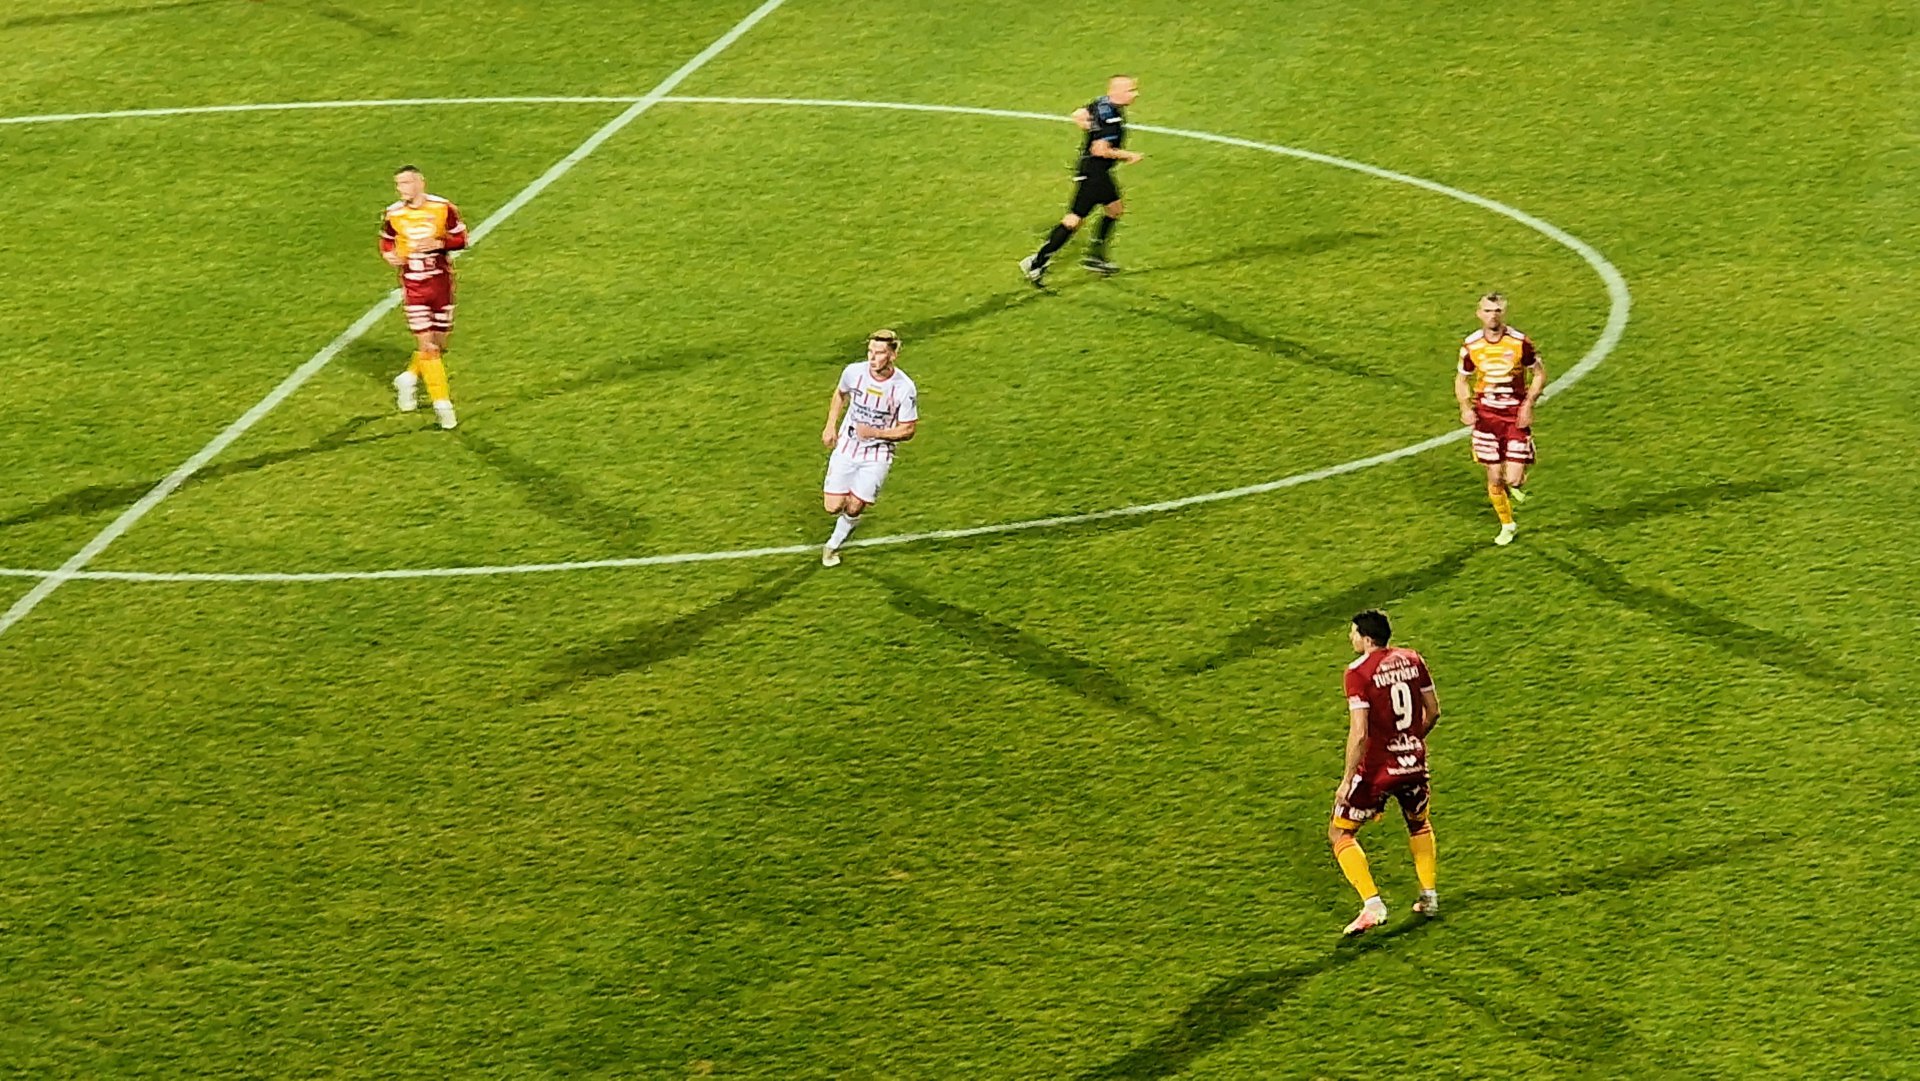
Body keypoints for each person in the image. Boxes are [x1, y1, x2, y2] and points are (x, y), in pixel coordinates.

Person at [1328, 609, 1441, 936]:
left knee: (1339, 833)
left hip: (1377, 770)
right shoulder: (1413, 659)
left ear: (1366, 638)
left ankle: (1372, 905)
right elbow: (1434, 710)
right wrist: (1411, 743)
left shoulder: (1357, 672)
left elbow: (1360, 732)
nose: (1350, 638)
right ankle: (1429, 897)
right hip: (1414, 764)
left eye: (1353, 633)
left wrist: (1347, 780)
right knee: (1418, 823)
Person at [1019, 75, 1143, 286]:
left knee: (1114, 209)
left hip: (1095, 172)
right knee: (1074, 220)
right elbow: (1100, 150)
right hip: (1094, 174)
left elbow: (1078, 114)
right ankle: (1036, 262)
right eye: (1131, 90)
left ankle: (1095, 257)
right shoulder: (1111, 119)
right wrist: (1128, 155)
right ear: (1117, 92)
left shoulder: (1101, 103)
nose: (1135, 94)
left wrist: (1090, 127)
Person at [819, 329, 918, 567]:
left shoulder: (904, 388)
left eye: (879, 353)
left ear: (893, 355)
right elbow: (840, 394)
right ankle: (845, 511)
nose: (872, 358)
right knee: (832, 506)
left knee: (855, 507)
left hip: (878, 454)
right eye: (870, 351)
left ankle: (832, 546)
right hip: (848, 444)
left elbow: (908, 429)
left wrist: (876, 433)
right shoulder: (853, 372)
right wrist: (830, 425)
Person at [380, 166, 468, 430]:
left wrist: (440, 244)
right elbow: (386, 239)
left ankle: (408, 378)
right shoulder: (394, 213)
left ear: (420, 183)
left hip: (441, 285)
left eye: (406, 183)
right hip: (414, 287)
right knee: (429, 348)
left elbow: (462, 238)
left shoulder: (442, 208)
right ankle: (443, 405)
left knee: (439, 345)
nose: (401, 189)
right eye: (398, 184)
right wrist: (389, 255)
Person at [1455, 293, 1546, 545]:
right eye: (1487, 310)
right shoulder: (1471, 345)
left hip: (1514, 415)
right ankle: (1507, 524)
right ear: (1479, 314)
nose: (1492, 315)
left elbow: (1539, 374)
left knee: (1513, 479)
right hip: (1486, 415)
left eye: (1496, 310)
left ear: (1503, 313)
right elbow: (1461, 379)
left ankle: (1520, 466)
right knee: (1494, 476)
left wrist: (1528, 404)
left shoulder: (1519, 342)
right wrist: (1465, 407)